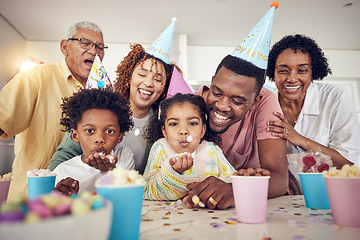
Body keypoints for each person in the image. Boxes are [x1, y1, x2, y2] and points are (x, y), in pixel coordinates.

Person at [48, 19, 181, 174]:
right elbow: (66, 154)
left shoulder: (164, 123)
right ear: (129, 76)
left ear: (164, 87)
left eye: (158, 79)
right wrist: (47, 184)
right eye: (142, 74)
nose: (148, 83)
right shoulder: (101, 110)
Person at [0, 21, 106, 200]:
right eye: (85, 43)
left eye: (100, 47)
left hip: (77, 203)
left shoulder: (101, 94)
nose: (94, 51)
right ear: (65, 47)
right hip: (31, 199)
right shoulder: (36, 77)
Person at [266, 34, 360, 190]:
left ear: (313, 72)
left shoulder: (335, 98)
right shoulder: (267, 106)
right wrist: (280, 178)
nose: (292, 79)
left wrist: (299, 139)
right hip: (286, 199)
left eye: (301, 71)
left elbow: (348, 162)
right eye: (283, 71)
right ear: (273, 73)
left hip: (331, 197)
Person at [143, 93, 236, 201]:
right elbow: (146, 190)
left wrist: (208, 188)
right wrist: (172, 172)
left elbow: (234, 180)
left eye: (192, 123)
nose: (183, 131)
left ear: (202, 130)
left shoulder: (212, 150)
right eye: (173, 124)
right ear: (165, 132)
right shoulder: (161, 148)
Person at [53, 89, 134, 196]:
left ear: (119, 136)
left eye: (109, 131)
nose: (99, 139)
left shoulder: (123, 157)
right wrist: (63, 197)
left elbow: (128, 197)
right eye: (90, 131)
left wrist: (109, 171)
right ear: (75, 135)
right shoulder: (62, 170)